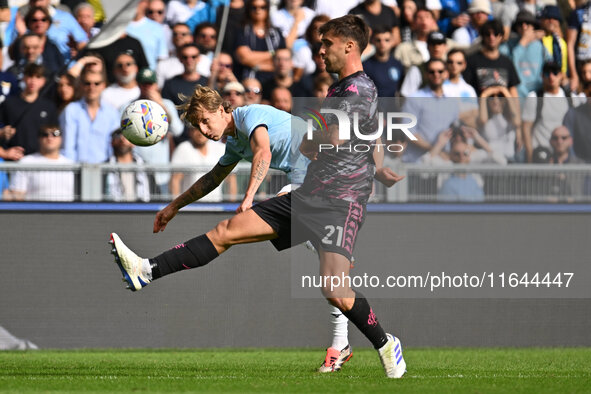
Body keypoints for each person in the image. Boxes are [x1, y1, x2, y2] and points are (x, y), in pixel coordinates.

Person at [109, 16, 407, 378]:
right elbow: (213, 177)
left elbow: (270, 151)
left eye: (326, 43)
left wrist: (252, 194)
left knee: (334, 287)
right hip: (310, 191)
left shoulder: (353, 89)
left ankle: (382, 343)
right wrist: (173, 206)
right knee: (226, 231)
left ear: (349, 45)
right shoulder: (338, 90)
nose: (320, 50)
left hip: (336, 198)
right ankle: (146, 270)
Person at [134, 68, 184, 196]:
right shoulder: (129, 107)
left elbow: (178, 130)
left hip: (161, 173)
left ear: (156, 85)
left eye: (150, 84)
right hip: (136, 171)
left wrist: (160, 105)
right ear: (138, 85)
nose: (147, 87)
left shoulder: (166, 104)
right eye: (143, 84)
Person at [60, 67, 120, 163]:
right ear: (81, 85)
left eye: (96, 83)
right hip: (77, 170)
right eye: (87, 83)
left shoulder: (112, 113)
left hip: (105, 171)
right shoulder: (71, 110)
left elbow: (114, 146)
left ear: (103, 86)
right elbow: (67, 147)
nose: (92, 87)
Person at [2, 125, 74, 201]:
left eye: (55, 133)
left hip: (67, 212)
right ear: (38, 138)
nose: (50, 137)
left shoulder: (72, 165)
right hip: (36, 211)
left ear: (61, 138)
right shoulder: (25, 163)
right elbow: (17, 195)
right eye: (45, 134)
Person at [522, 61, 575, 163]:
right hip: (540, 156)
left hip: (564, 159)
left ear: (561, 76)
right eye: (547, 73)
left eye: (555, 72)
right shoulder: (534, 97)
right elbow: (526, 128)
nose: (551, 77)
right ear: (542, 76)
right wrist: (529, 156)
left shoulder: (571, 98)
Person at [0, 63, 58, 156]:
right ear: (24, 78)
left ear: (43, 81)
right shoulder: (9, 104)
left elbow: (56, 134)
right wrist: (5, 151)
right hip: (15, 161)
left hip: (42, 160)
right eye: (30, 76)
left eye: (38, 77)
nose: (33, 81)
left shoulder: (49, 107)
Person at [499, 10, 549, 99]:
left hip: (537, 94)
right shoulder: (507, 46)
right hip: (516, 95)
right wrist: (523, 43)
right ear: (516, 28)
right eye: (520, 24)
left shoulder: (540, 46)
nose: (524, 26)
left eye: (528, 23)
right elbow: (510, 67)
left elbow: (550, 65)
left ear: (533, 27)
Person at [169, 124, 227, 201]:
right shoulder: (183, 149)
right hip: (191, 208)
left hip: (216, 206)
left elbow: (231, 179)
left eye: (204, 128)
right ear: (190, 132)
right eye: (196, 129)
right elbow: (175, 180)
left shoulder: (221, 148)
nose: (200, 133)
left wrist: (231, 207)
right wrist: (176, 207)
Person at [463, 19, 520, 97]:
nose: (491, 37)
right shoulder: (471, 61)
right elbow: (466, 90)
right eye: (487, 34)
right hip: (480, 107)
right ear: (483, 36)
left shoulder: (507, 62)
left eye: (496, 34)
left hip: (503, 108)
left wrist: (515, 108)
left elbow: (513, 91)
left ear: (501, 36)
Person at [104, 129, 151, 202]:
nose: (122, 139)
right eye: (118, 136)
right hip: (113, 211)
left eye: (127, 136)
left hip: (140, 211)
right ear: (112, 142)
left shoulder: (145, 167)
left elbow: (154, 192)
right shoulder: (104, 168)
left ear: (133, 143)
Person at [362, 27, 404, 97]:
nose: (382, 43)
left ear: (392, 41)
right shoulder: (365, 66)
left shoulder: (398, 64)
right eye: (378, 40)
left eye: (387, 40)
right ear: (372, 41)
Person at [156, 23, 194, 88]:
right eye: (175, 34)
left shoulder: (203, 60)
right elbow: (159, 88)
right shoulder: (163, 64)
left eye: (183, 34)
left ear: (191, 38)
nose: (178, 37)